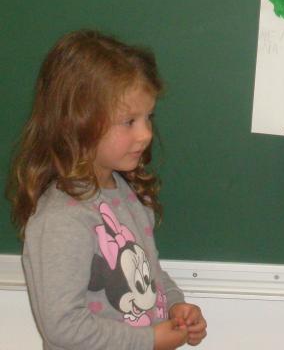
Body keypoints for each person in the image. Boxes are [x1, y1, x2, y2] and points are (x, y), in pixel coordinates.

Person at [6, 30, 208, 350]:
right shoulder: (62, 219)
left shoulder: (123, 193)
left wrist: (174, 305)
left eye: (148, 117)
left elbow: (148, 272)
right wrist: (150, 340)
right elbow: (63, 326)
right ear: (78, 123)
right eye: (128, 121)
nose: (145, 134)